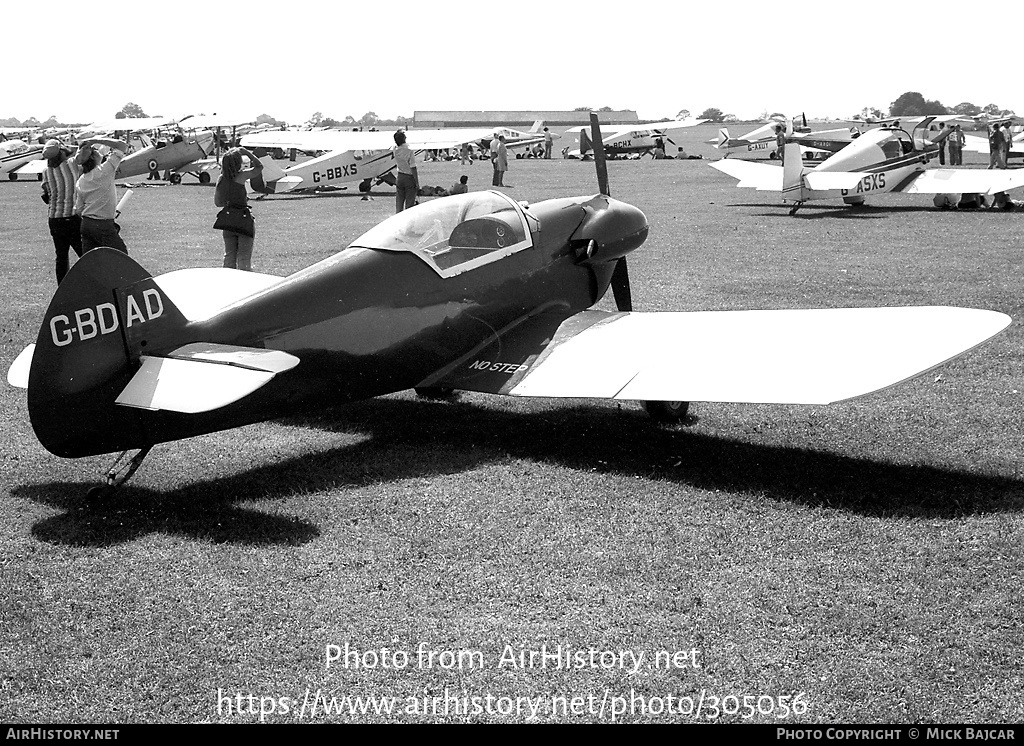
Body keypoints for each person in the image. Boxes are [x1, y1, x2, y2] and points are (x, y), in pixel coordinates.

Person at [73, 137, 130, 253]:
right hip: (103, 224)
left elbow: (78, 209)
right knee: (121, 256)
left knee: (91, 261)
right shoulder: (105, 171)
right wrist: (95, 140)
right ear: (94, 157)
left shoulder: (81, 180)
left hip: (86, 224)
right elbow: (122, 146)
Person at [40, 139, 83, 283]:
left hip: (54, 219)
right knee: (85, 254)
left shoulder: (46, 172)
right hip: (72, 217)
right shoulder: (72, 164)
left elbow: (47, 194)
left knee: (61, 257)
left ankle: (62, 290)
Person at [214, 147, 263, 271]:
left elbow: (218, 203)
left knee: (229, 256)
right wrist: (247, 153)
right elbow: (259, 167)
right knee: (244, 258)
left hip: (228, 220)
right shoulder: (241, 176)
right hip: (243, 220)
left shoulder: (221, 179)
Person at [393, 130, 419, 212]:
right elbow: (413, 167)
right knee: (409, 203)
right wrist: (417, 182)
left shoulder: (395, 150)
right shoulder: (409, 151)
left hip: (400, 176)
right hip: (409, 177)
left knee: (399, 201)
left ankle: (398, 216)